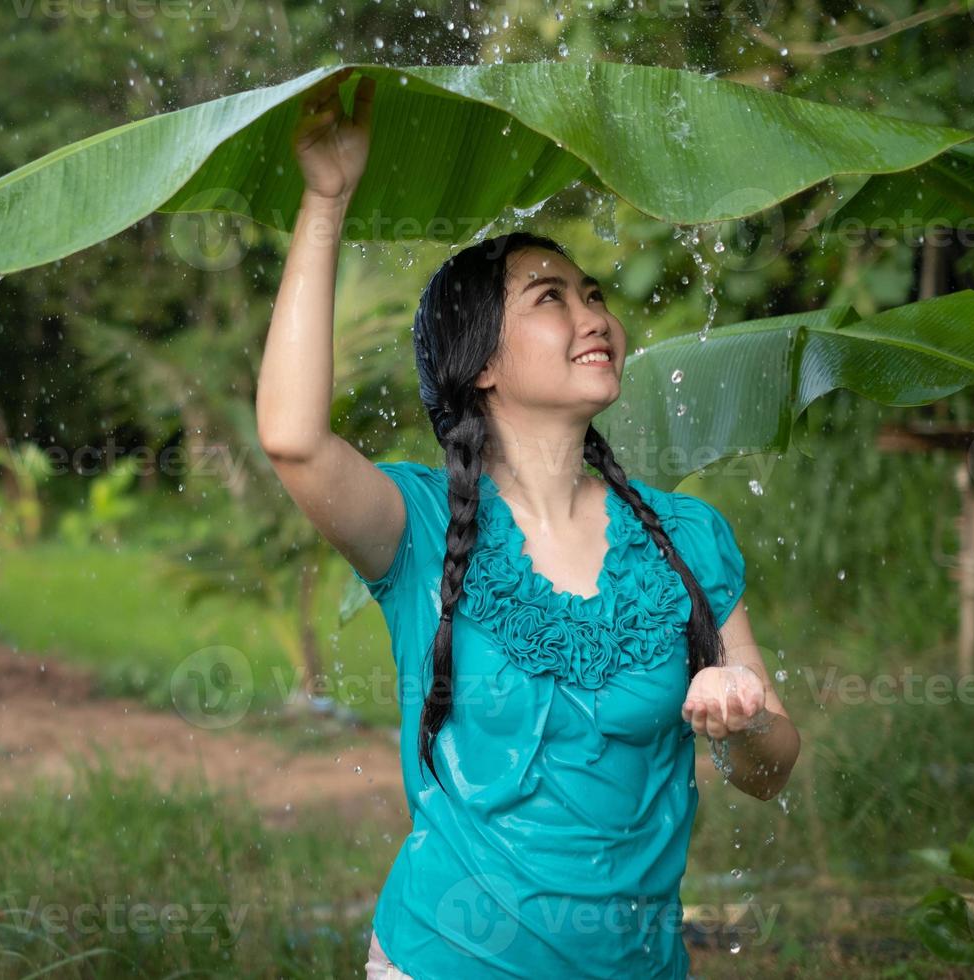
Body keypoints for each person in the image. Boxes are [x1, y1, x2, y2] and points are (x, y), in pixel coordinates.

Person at [255, 67, 802, 979]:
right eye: (551, 298)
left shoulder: (686, 537)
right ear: (482, 363)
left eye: (593, 293)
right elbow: (293, 439)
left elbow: (772, 767)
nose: (594, 314)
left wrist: (741, 719)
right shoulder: (419, 530)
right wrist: (326, 199)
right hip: (443, 959)